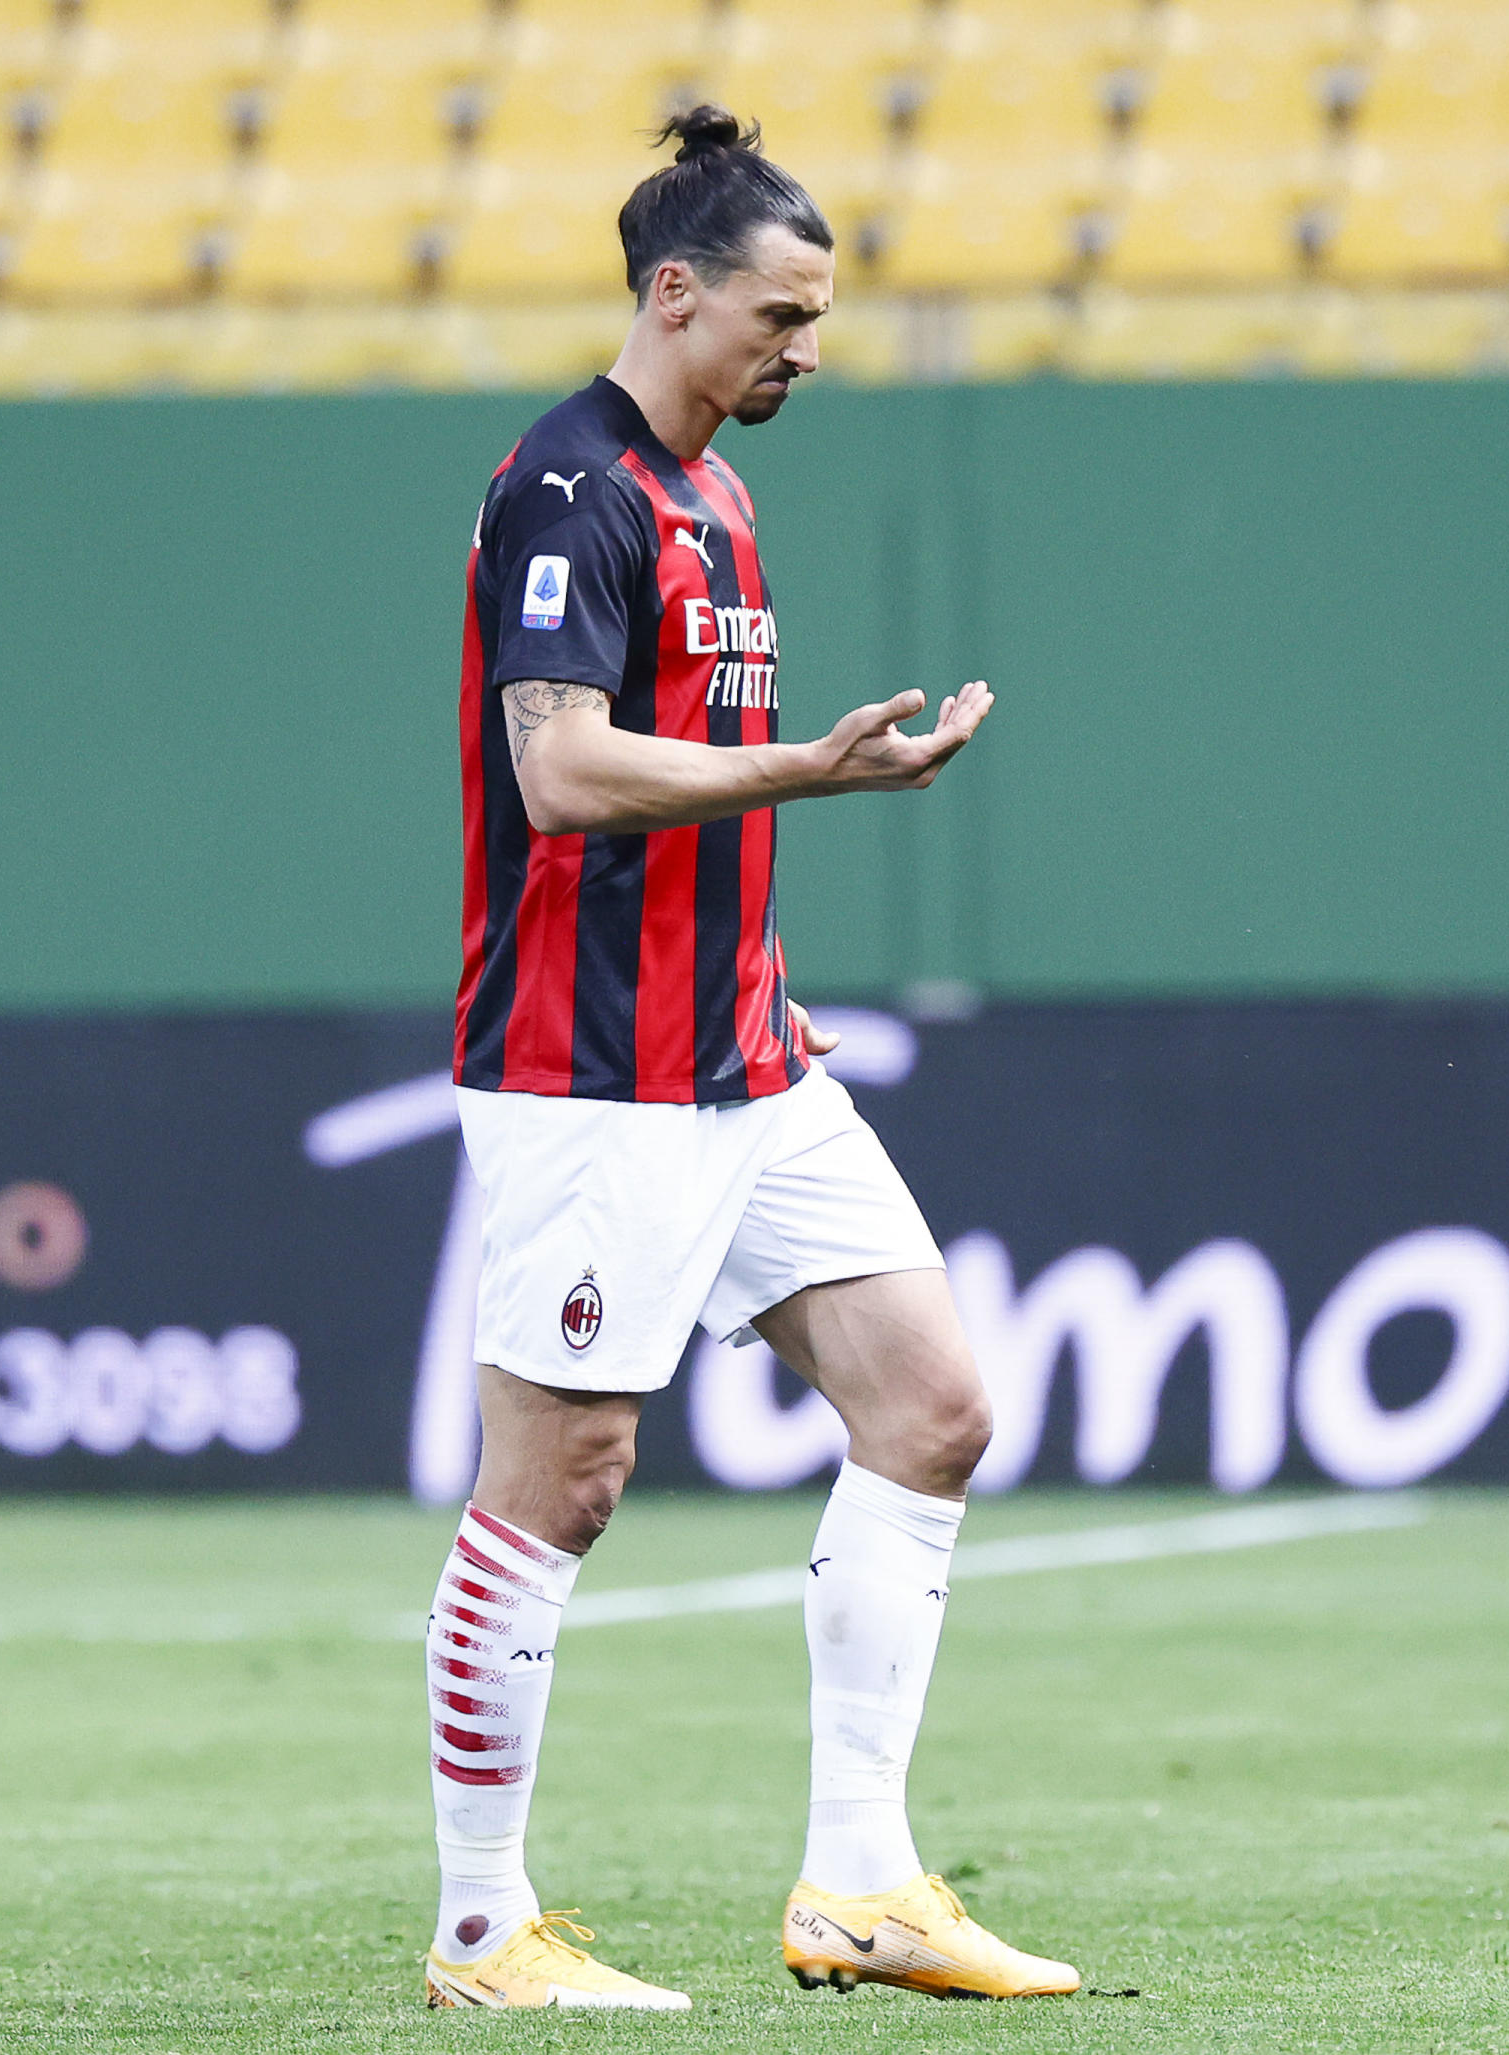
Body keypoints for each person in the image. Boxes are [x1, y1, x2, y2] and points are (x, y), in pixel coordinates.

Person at [418, 106, 1075, 2011]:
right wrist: (813, 769)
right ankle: (481, 1930)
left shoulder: (721, 499)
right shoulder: (571, 489)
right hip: (588, 1071)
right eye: (779, 313)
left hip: (741, 1063)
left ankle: (861, 1888)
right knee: (564, 1482)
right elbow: (560, 773)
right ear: (673, 288)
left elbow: (691, 806)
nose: (806, 348)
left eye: (821, 319)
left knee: (934, 1407)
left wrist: (763, 975)